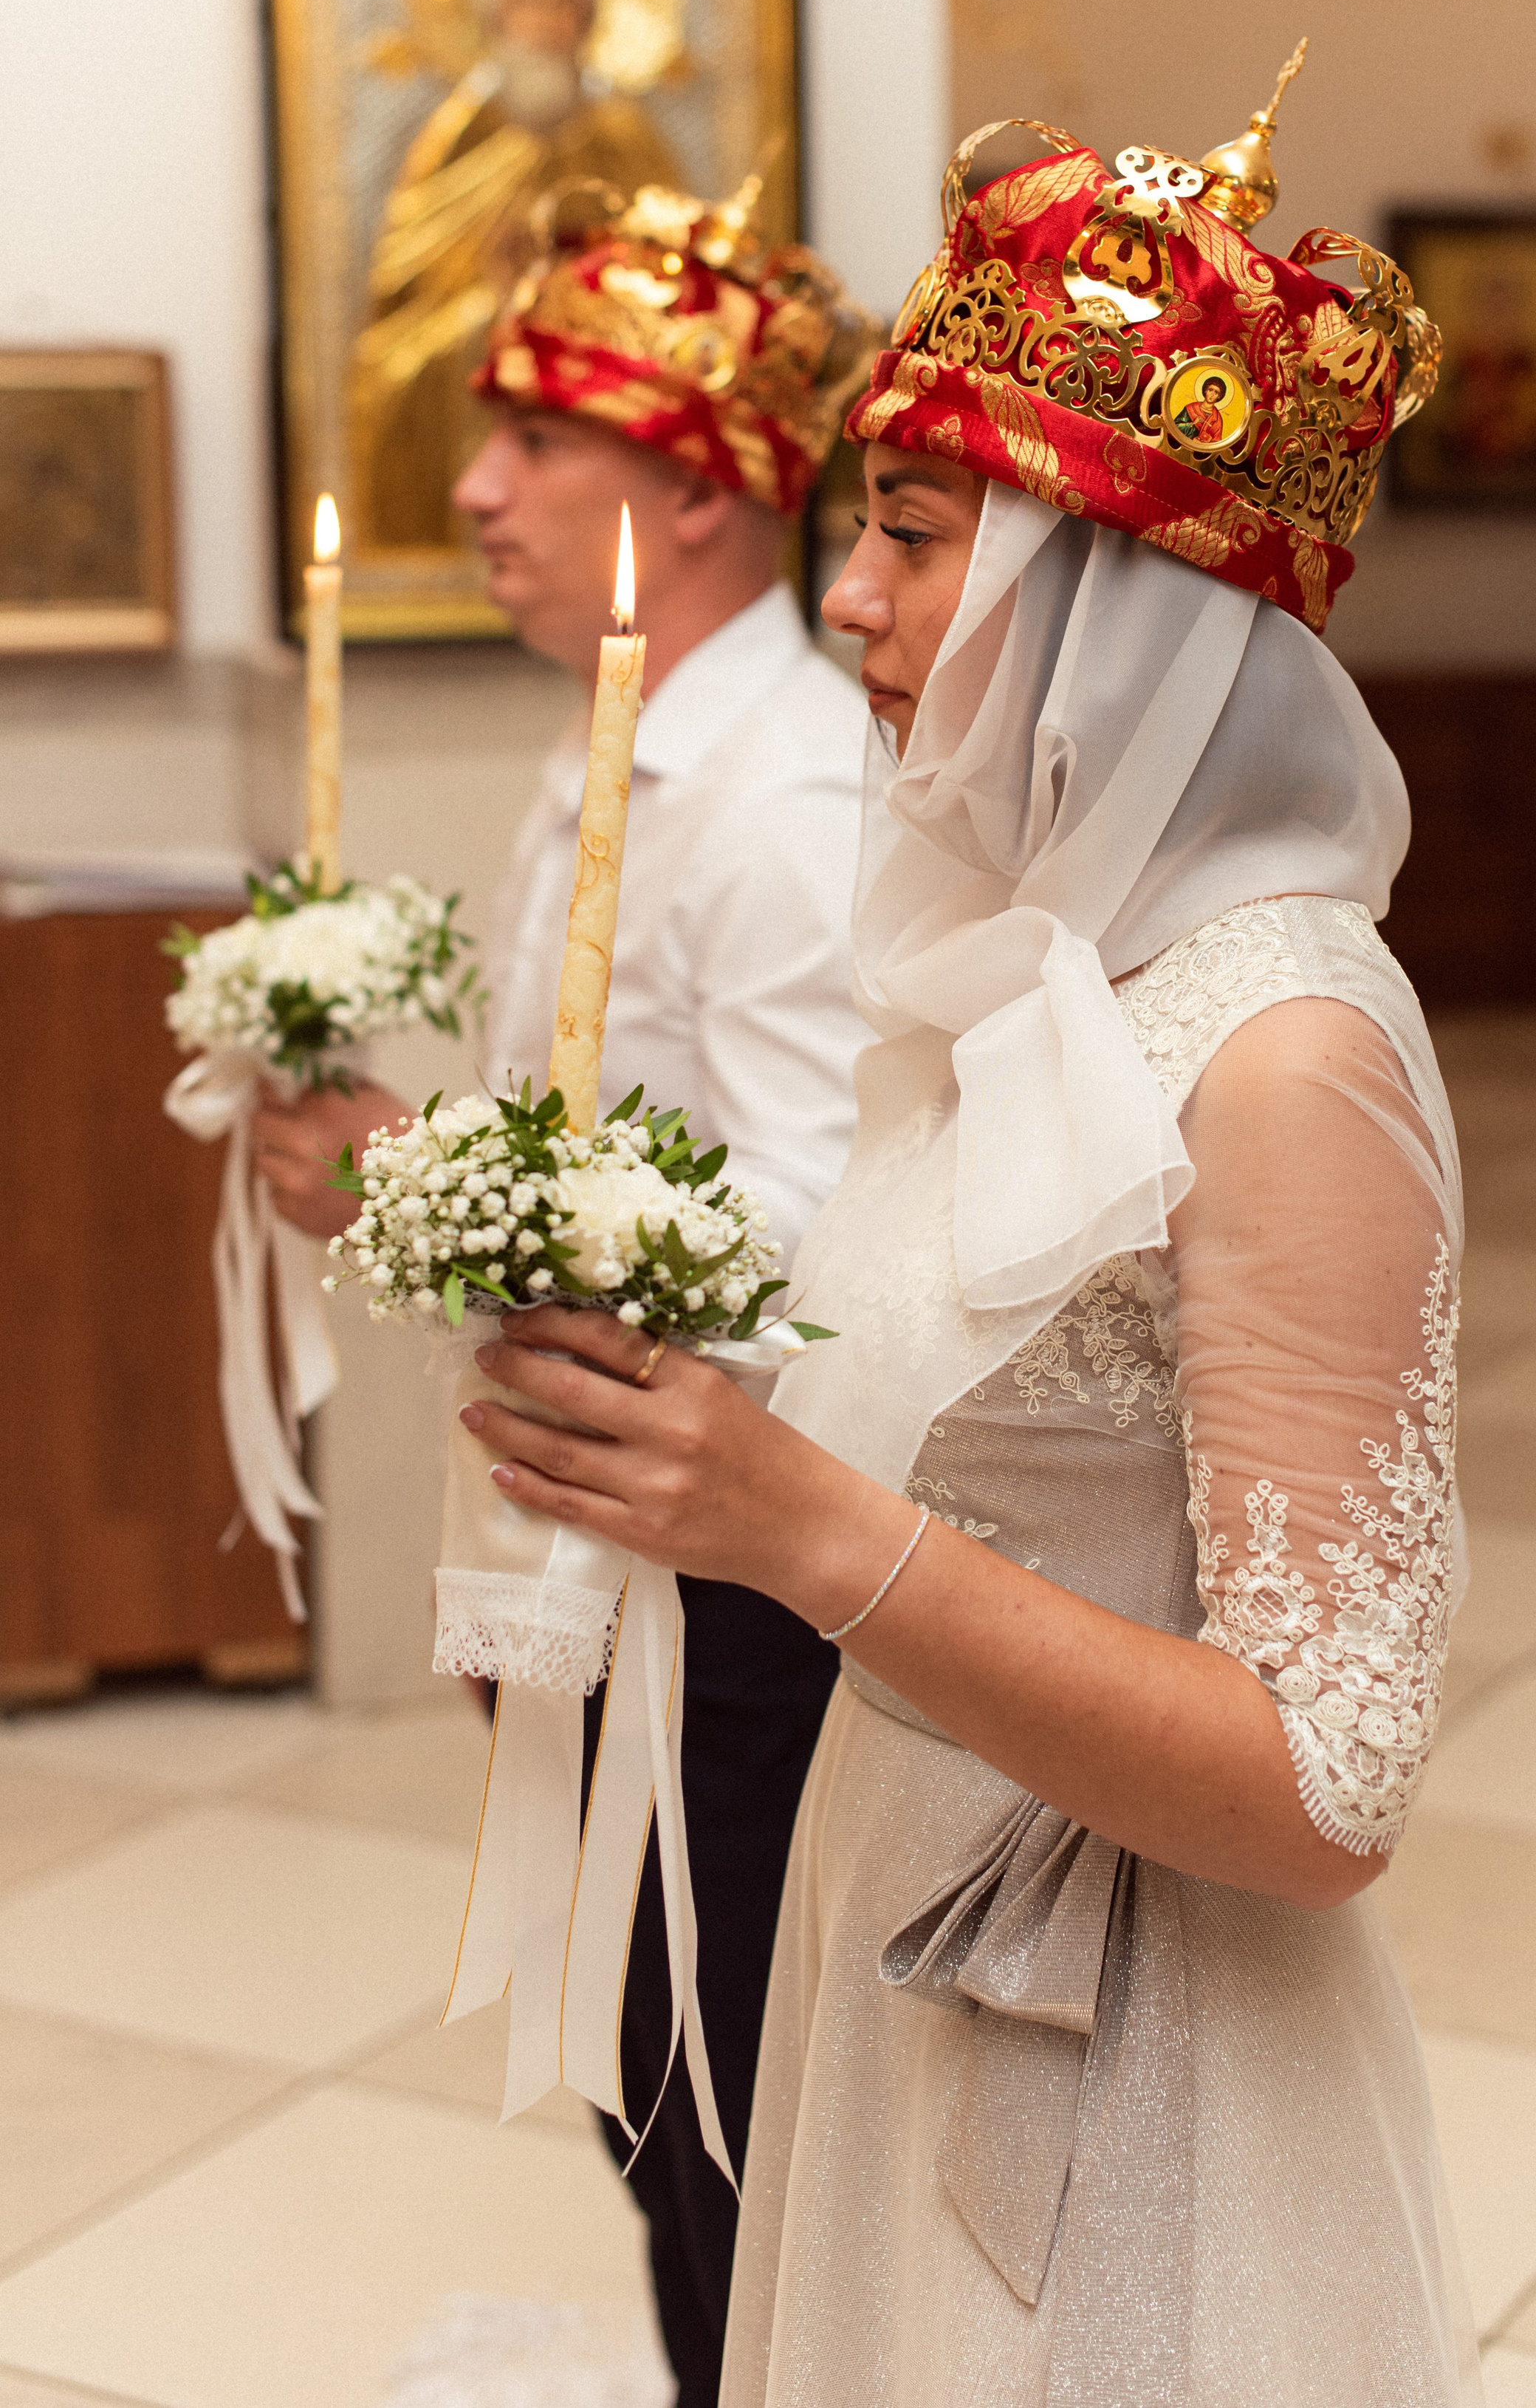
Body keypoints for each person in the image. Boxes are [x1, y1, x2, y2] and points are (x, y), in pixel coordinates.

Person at [452, 112, 1478, 2402]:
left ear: (1113, 595)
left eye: (913, 535)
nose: (846, 600)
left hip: (1124, 2038)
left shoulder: (1279, 1051)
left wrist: (805, 1530)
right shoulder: (1026, 978)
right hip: (886, 1914)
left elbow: (1330, 1787)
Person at [256, 173, 876, 2408]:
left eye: (533, 437)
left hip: (732, 1605)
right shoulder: (623, 745)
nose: (476, 488)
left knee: (731, 2118)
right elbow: (613, 1143)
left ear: (698, 489)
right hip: (602, 1551)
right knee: (652, 2096)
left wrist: (431, 1186)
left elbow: (815, 1255)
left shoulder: (783, 797)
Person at [351, 0, 682, 553]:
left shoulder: (625, 136)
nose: (545, 23)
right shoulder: (461, 132)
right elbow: (406, 283)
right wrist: (497, 303)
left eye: (563, 3)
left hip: (605, 340)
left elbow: (674, 268)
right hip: (473, 335)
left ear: (588, 16)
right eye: (525, 2)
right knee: (413, 370)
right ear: (493, 15)